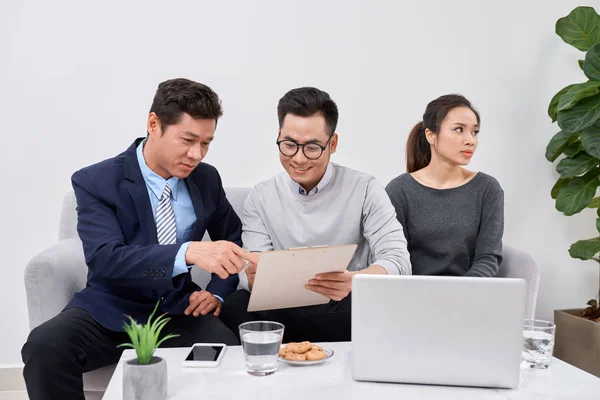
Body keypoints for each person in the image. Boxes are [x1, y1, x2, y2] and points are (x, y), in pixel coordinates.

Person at [21, 78, 259, 400]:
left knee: (229, 357)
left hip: (178, 311)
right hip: (109, 310)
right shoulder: (97, 181)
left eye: (206, 143)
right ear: (153, 124)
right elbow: (106, 258)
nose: (196, 154)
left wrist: (216, 293)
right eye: (187, 139)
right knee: (44, 346)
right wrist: (187, 252)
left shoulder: (206, 179)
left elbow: (231, 240)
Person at [220, 87, 411, 342]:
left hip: (344, 304)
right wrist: (252, 277)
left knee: (383, 303)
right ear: (278, 136)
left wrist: (354, 280)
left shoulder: (364, 188)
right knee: (236, 306)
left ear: (332, 144)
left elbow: (398, 260)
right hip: (283, 307)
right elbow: (250, 269)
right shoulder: (262, 195)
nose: (298, 158)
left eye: (312, 147)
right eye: (288, 145)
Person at [385, 94, 503, 277]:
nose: (470, 140)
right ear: (431, 135)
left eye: (474, 132)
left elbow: (488, 257)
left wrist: (460, 294)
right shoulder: (399, 191)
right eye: (458, 129)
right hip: (413, 296)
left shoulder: (488, 189)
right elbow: (395, 257)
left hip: (469, 295)